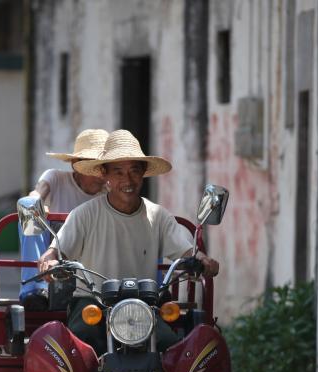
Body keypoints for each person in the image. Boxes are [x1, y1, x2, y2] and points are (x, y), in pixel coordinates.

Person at [37, 129, 219, 354]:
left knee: (169, 349)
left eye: (134, 170)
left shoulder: (158, 215)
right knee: (80, 352)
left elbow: (185, 251)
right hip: (93, 303)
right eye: (118, 172)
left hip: (144, 304)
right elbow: (55, 251)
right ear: (105, 175)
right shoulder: (84, 214)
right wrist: (48, 261)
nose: (127, 180)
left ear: (143, 173)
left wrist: (203, 260)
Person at [20, 129, 109, 309]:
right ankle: (36, 289)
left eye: (103, 168)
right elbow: (35, 194)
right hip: (51, 257)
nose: (100, 175)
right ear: (76, 165)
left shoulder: (110, 195)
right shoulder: (56, 178)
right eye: (92, 168)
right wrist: (39, 202)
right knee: (28, 204)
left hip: (90, 260)